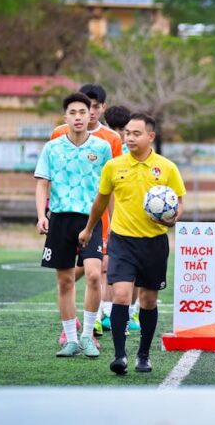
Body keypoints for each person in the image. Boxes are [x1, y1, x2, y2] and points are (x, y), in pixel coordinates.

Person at [79, 113, 186, 375]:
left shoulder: (167, 167)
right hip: (122, 241)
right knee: (121, 295)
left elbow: (178, 203)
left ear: (151, 136)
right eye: (127, 133)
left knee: (148, 301)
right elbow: (101, 201)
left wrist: (172, 219)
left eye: (136, 133)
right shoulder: (114, 167)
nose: (129, 137)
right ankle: (119, 356)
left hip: (154, 243)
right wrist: (89, 228)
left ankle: (143, 354)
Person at [35, 92, 112, 358]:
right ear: (65, 116)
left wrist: (109, 223)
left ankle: (88, 336)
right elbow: (42, 183)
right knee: (65, 281)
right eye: (73, 113)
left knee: (93, 274)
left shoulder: (102, 148)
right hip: (60, 220)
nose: (79, 117)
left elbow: (108, 190)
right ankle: (70, 339)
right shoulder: (52, 147)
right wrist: (41, 215)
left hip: (90, 220)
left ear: (91, 114)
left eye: (83, 112)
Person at [51, 84, 124, 343]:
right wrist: (47, 210)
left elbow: (113, 186)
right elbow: (52, 174)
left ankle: (90, 328)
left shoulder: (112, 140)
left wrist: (115, 221)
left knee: (96, 272)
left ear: (102, 108)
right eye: (84, 108)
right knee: (68, 275)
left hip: (98, 219)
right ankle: (70, 326)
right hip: (64, 217)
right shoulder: (58, 135)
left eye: (94, 107)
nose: (88, 113)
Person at [97, 105, 137, 333]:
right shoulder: (106, 147)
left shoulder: (131, 149)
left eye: (123, 129)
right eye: (116, 128)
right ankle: (105, 313)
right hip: (106, 214)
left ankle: (127, 313)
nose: (121, 134)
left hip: (128, 216)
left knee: (113, 267)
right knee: (103, 266)